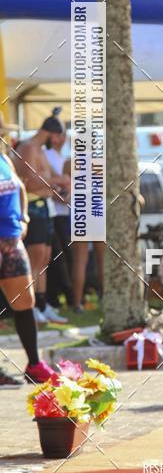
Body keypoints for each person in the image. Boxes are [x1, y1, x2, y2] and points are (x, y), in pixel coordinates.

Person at [0, 112, 54, 386]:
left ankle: (34, 364)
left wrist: (24, 218)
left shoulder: (5, 158)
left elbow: (20, 187)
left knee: (25, 302)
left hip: (12, 239)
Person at [11, 110, 70, 324]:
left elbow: (44, 177)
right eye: (59, 136)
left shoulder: (41, 150)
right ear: (52, 133)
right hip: (34, 206)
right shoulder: (28, 148)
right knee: (35, 258)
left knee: (44, 258)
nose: (60, 141)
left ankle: (43, 305)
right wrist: (57, 180)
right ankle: (32, 305)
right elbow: (29, 181)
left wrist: (57, 181)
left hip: (46, 206)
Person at [45, 129, 73, 312]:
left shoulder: (62, 156)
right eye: (61, 133)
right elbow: (49, 183)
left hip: (64, 214)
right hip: (53, 213)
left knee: (64, 258)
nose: (64, 138)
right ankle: (54, 298)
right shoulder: (46, 155)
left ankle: (61, 298)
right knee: (56, 259)